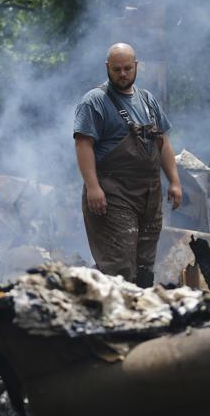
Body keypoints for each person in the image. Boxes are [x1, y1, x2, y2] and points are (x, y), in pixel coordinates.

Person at [73, 43, 182, 287]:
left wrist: (174, 181)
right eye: (116, 70)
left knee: (144, 265)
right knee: (119, 265)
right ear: (107, 68)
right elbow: (83, 145)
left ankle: (142, 317)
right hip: (113, 193)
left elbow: (162, 142)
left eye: (127, 69)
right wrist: (93, 187)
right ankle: (115, 318)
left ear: (136, 66)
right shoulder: (94, 102)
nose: (122, 74)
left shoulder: (147, 99)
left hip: (149, 194)